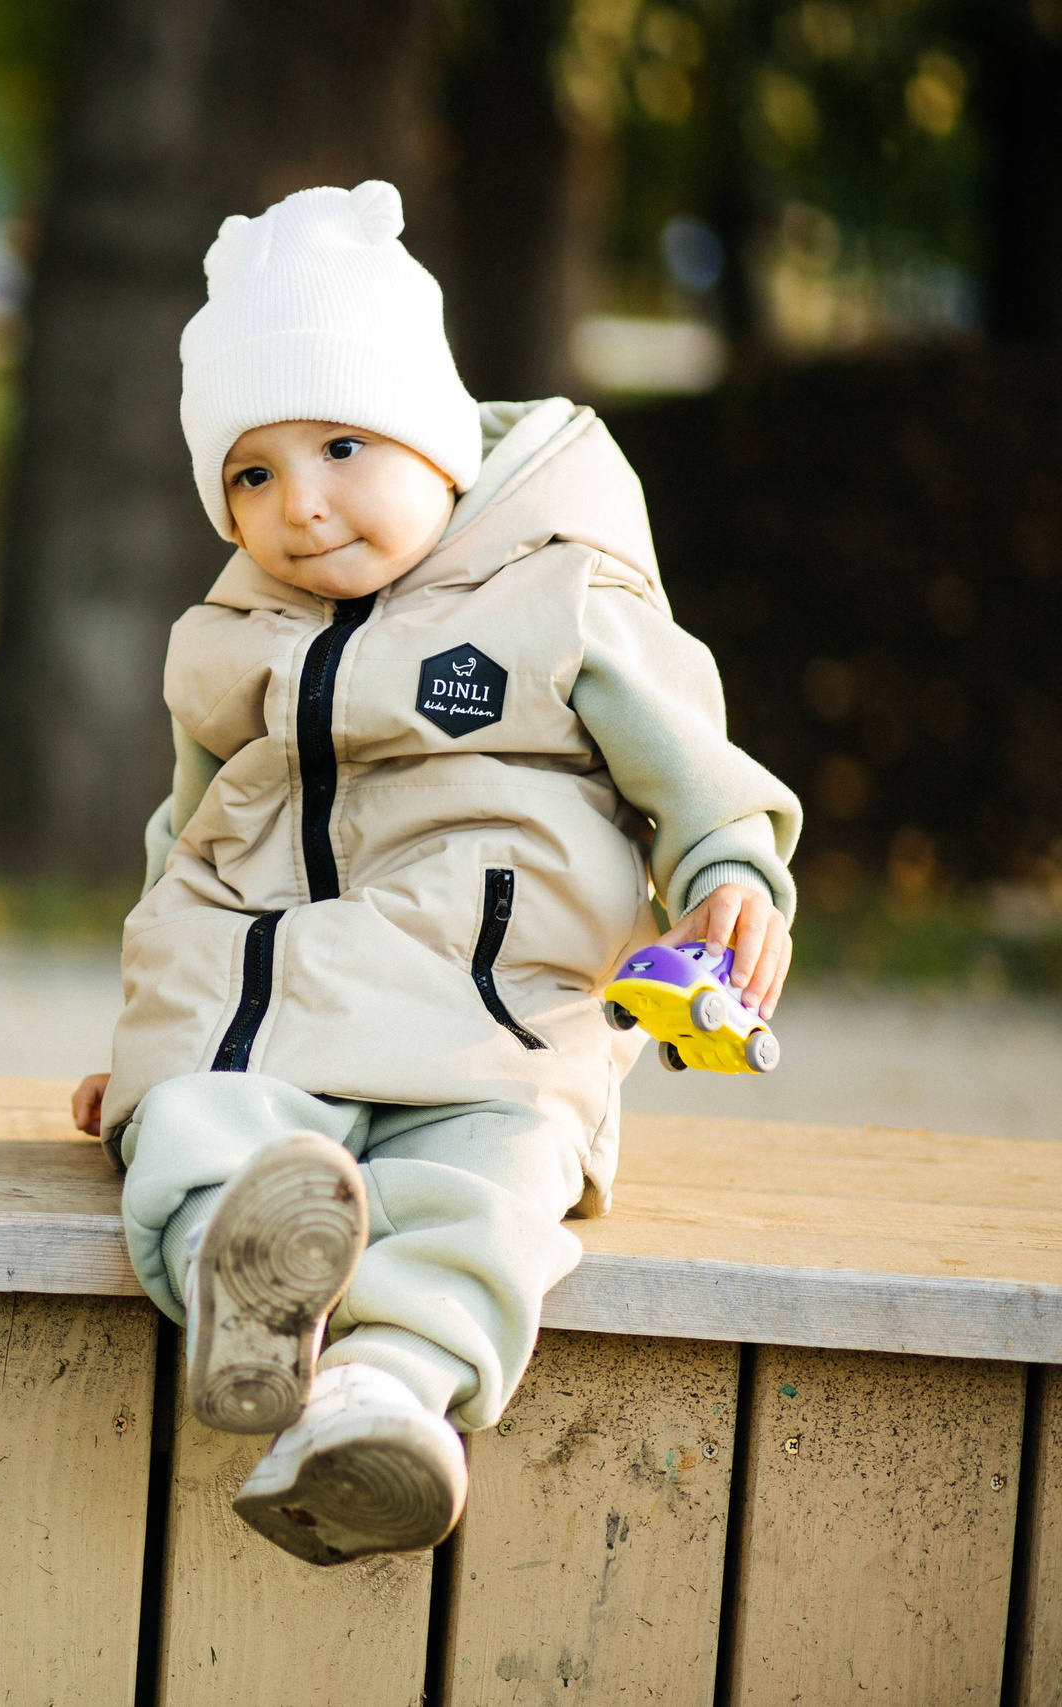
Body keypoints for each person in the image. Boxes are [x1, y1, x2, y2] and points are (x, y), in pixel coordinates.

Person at [71, 181, 799, 1567]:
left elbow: (692, 767)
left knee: (491, 1178)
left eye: (343, 445)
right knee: (192, 1141)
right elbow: (185, 845)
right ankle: (250, 1299)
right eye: (251, 473)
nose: (300, 506)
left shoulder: (560, 591)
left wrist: (733, 875)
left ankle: (389, 1393)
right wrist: (148, 1046)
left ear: (439, 436)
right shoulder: (227, 635)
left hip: (492, 1011)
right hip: (258, 1010)